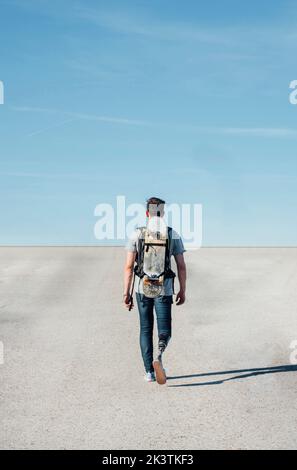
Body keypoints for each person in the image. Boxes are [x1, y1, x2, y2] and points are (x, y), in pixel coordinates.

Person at [123, 197, 187, 384]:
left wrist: (126, 293)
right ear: (163, 213)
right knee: (164, 329)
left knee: (145, 329)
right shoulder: (172, 234)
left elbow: (128, 267)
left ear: (146, 213)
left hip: (142, 288)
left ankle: (149, 372)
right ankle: (159, 354)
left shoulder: (137, 234)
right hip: (164, 288)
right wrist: (182, 290)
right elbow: (181, 266)